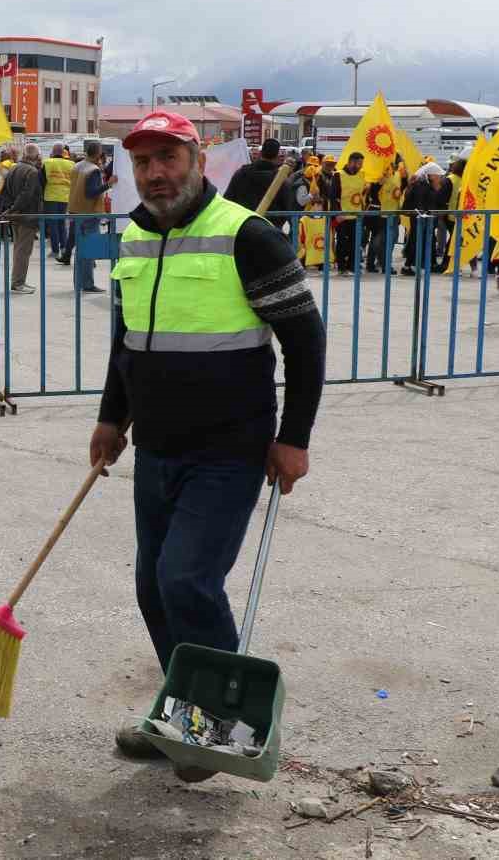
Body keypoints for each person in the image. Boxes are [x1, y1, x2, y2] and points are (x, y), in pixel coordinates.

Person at [91, 111, 326, 777]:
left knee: (186, 580)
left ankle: (219, 729)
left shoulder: (247, 236)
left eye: (168, 158)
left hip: (228, 450)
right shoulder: (135, 237)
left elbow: (306, 341)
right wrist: (110, 419)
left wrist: (294, 438)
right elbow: (128, 341)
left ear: (197, 161)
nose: (155, 174)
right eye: (143, 163)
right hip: (156, 448)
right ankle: (184, 719)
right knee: (153, 588)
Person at [68, 140, 111, 293]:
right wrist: (109, 184)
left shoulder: (77, 166)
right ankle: (87, 284)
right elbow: (91, 193)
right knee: (88, 251)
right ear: (98, 153)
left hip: (76, 211)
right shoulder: (93, 170)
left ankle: (79, 282)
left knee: (80, 250)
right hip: (89, 213)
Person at [2, 145, 45, 294]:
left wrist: (10, 209)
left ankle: (18, 280)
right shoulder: (32, 171)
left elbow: (5, 191)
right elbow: (27, 195)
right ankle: (18, 283)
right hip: (27, 215)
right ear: (36, 156)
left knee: (18, 249)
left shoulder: (14, 167)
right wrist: (14, 208)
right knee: (23, 251)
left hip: (16, 215)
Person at [224, 138, 290, 227]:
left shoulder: (242, 173)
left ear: (260, 153)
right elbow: (287, 206)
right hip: (270, 228)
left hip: (242, 225)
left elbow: (228, 199)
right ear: (277, 155)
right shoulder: (280, 179)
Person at [41, 143, 75, 263]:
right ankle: (64, 247)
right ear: (63, 152)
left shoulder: (47, 163)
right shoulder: (71, 164)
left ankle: (55, 250)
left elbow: (42, 181)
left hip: (50, 197)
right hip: (65, 197)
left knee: (53, 224)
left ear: (53, 151)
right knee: (62, 223)